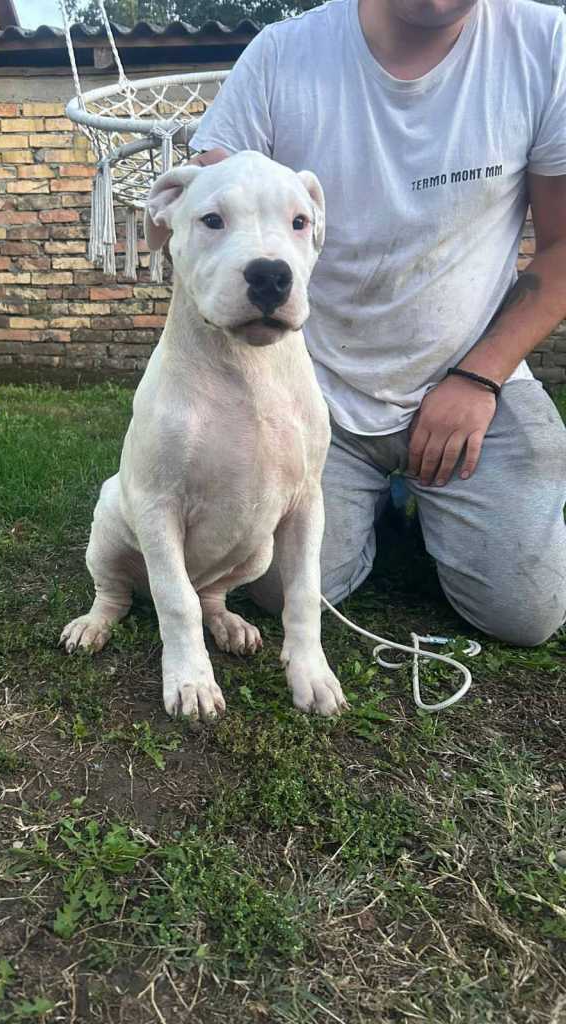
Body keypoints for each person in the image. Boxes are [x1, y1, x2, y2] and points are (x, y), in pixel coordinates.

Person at [188, 0, 566, 645]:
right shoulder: (282, 55)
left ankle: (438, 509)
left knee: (526, 616)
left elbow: (562, 245)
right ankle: (377, 504)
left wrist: (479, 379)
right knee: (277, 588)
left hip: (473, 377)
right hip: (316, 382)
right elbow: (213, 207)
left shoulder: (546, 44)